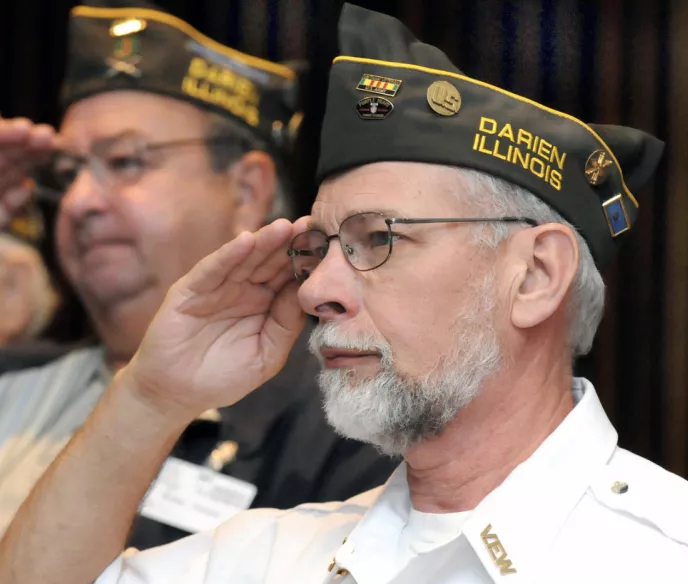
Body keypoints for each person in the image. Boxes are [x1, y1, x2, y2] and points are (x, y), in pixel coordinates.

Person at [2, 3, 686, 583]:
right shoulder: (259, 557)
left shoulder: (662, 556)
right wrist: (151, 399)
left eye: (379, 239)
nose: (316, 292)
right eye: (317, 248)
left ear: (534, 277)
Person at [0, 1, 396, 547]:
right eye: (67, 173)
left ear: (245, 190)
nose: (78, 201)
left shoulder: (343, 414)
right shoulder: (13, 380)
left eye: (125, 162)